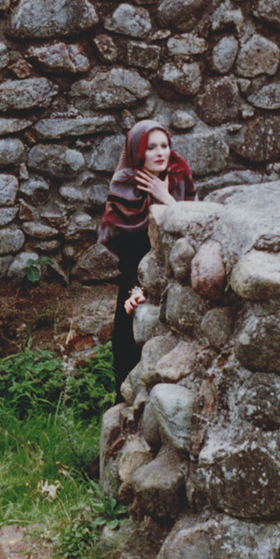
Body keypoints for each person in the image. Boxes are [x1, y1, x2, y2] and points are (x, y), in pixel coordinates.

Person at [98, 119, 196, 396]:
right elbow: (126, 253)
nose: (159, 152)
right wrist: (138, 290)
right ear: (136, 151)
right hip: (136, 283)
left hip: (178, 283)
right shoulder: (124, 187)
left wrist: (164, 198)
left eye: (164, 145)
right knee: (129, 349)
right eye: (150, 147)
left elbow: (197, 230)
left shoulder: (179, 179)